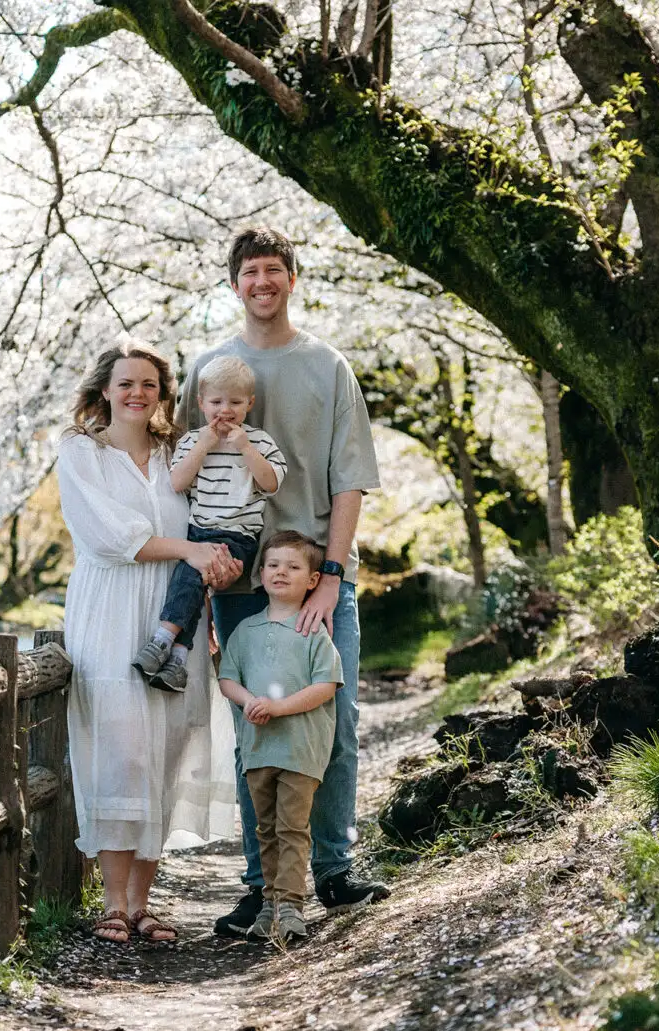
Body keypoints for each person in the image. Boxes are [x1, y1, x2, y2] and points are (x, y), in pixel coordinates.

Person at [177, 225, 392, 937]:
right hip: (236, 580)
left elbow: (351, 477)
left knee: (333, 719)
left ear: (292, 278)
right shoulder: (208, 368)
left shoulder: (327, 367)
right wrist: (197, 581)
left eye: (273, 270)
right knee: (255, 729)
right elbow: (179, 475)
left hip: (314, 576)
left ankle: (331, 869)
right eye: (249, 273)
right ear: (233, 283)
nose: (261, 283)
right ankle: (263, 885)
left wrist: (332, 574)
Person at [55, 335, 242, 944]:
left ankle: (142, 904)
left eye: (149, 385)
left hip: (177, 609)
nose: (137, 394)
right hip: (111, 605)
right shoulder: (82, 453)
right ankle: (111, 903)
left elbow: (213, 515)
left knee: (164, 750)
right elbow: (111, 535)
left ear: (163, 395)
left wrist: (217, 562)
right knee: (120, 748)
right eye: (126, 383)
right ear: (104, 390)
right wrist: (192, 548)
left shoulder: (176, 454)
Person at [131, 354, 286, 693]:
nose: (225, 410)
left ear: (250, 403)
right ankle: (178, 659)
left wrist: (244, 447)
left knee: (190, 577)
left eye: (235, 402)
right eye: (216, 401)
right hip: (199, 529)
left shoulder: (259, 441)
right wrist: (204, 445)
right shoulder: (192, 441)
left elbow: (271, 483)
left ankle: (163, 638)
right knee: (191, 586)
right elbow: (177, 483)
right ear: (201, 402)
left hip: (238, 535)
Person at [218, 531, 343, 946]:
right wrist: (250, 701)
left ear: (312, 580)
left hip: (299, 748)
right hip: (258, 750)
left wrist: (278, 708)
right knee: (265, 830)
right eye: (273, 565)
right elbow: (227, 678)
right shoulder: (246, 631)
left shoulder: (313, 631)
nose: (280, 572)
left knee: (292, 827)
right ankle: (269, 903)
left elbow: (326, 685)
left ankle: (291, 907)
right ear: (261, 573)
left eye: (292, 567)